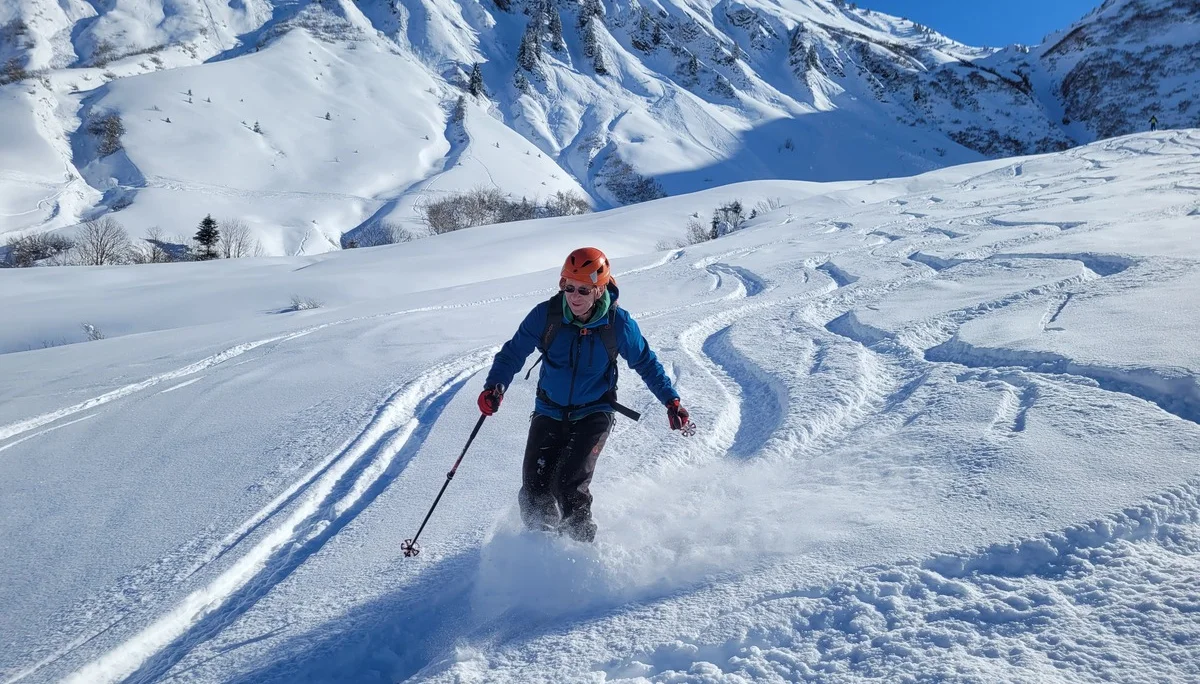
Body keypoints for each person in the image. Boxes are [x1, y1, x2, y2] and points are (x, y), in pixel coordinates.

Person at [478, 247, 691, 542]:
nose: (575, 296)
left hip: (594, 412)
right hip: (549, 410)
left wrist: (671, 401)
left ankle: (579, 554)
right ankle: (539, 551)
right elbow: (513, 353)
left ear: (599, 289)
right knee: (534, 490)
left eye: (584, 290)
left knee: (568, 486)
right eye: (569, 287)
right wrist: (495, 386)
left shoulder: (618, 324)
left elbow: (645, 361)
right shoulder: (547, 316)